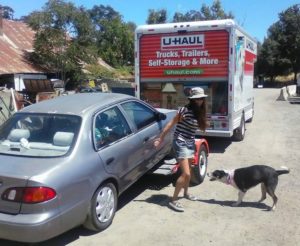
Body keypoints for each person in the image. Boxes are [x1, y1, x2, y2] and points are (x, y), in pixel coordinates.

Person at [154, 87, 208, 212]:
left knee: (189, 171)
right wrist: (160, 138)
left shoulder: (199, 112)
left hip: (190, 142)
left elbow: (199, 128)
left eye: (201, 98)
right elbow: (170, 124)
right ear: (192, 99)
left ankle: (186, 193)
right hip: (180, 141)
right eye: (197, 99)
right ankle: (173, 200)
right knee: (186, 173)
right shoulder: (184, 110)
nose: (200, 101)